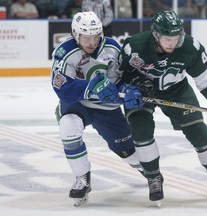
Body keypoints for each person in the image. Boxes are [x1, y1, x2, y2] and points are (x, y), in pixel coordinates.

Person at [118, 10, 207, 202]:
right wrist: (134, 84)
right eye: (168, 39)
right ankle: (153, 177)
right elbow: (118, 77)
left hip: (177, 90)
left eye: (177, 37)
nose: (173, 43)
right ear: (155, 35)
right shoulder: (134, 46)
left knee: (199, 133)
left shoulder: (190, 47)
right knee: (141, 131)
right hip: (141, 94)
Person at [51, 11, 144, 206]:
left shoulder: (111, 48)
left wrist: (127, 89)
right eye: (86, 37)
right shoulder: (64, 52)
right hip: (77, 104)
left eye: (95, 36)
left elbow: (120, 79)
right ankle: (82, 178)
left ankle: (148, 170)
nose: (92, 42)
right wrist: (91, 87)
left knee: (127, 151)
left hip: (106, 109)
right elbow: (62, 88)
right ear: (76, 35)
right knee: (68, 127)